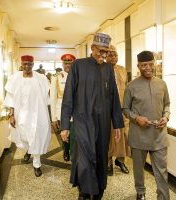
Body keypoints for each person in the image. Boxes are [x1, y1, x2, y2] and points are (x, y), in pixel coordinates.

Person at [60, 33, 124, 200]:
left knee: (101, 156)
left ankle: (98, 191)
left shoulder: (108, 68)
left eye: (106, 51)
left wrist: (117, 124)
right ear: (93, 48)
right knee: (84, 157)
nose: (103, 55)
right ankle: (84, 191)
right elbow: (68, 96)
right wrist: (65, 125)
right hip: (82, 120)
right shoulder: (77, 66)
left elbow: (114, 97)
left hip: (103, 122)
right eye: (101, 51)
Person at [123, 51, 170, 200]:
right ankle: (141, 192)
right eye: (144, 65)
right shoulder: (131, 86)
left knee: (162, 171)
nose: (148, 68)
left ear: (154, 63)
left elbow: (167, 104)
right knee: (138, 169)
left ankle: (163, 197)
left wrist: (166, 116)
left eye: (150, 64)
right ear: (139, 66)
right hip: (139, 136)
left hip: (159, 135)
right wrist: (137, 119)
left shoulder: (162, 84)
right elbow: (125, 109)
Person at [3, 55, 51, 177]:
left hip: (37, 114)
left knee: (36, 137)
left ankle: (37, 164)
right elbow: (11, 98)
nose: (27, 66)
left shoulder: (41, 78)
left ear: (33, 64)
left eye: (29, 64)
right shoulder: (14, 78)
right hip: (21, 114)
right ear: (21, 63)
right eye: (25, 64)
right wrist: (12, 115)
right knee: (23, 136)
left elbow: (46, 97)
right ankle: (28, 151)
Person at [106, 45, 130, 176]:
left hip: (121, 108)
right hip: (107, 109)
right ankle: (108, 161)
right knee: (109, 136)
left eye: (115, 55)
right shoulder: (102, 69)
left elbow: (125, 88)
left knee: (124, 135)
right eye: (110, 55)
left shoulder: (122, 70)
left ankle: (120, 160)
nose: (113, 57)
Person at [50, 53, 76, 161]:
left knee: (74, 133)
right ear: (62, 64)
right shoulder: (56, 77)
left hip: (76, 111)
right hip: (61, 110)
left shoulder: (78, 75)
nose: (68, 66)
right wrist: (53, 118)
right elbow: (52, 98)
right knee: (65, 133)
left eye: (70, 63)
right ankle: (66, 150)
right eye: (65, 63)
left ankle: (74, 151)